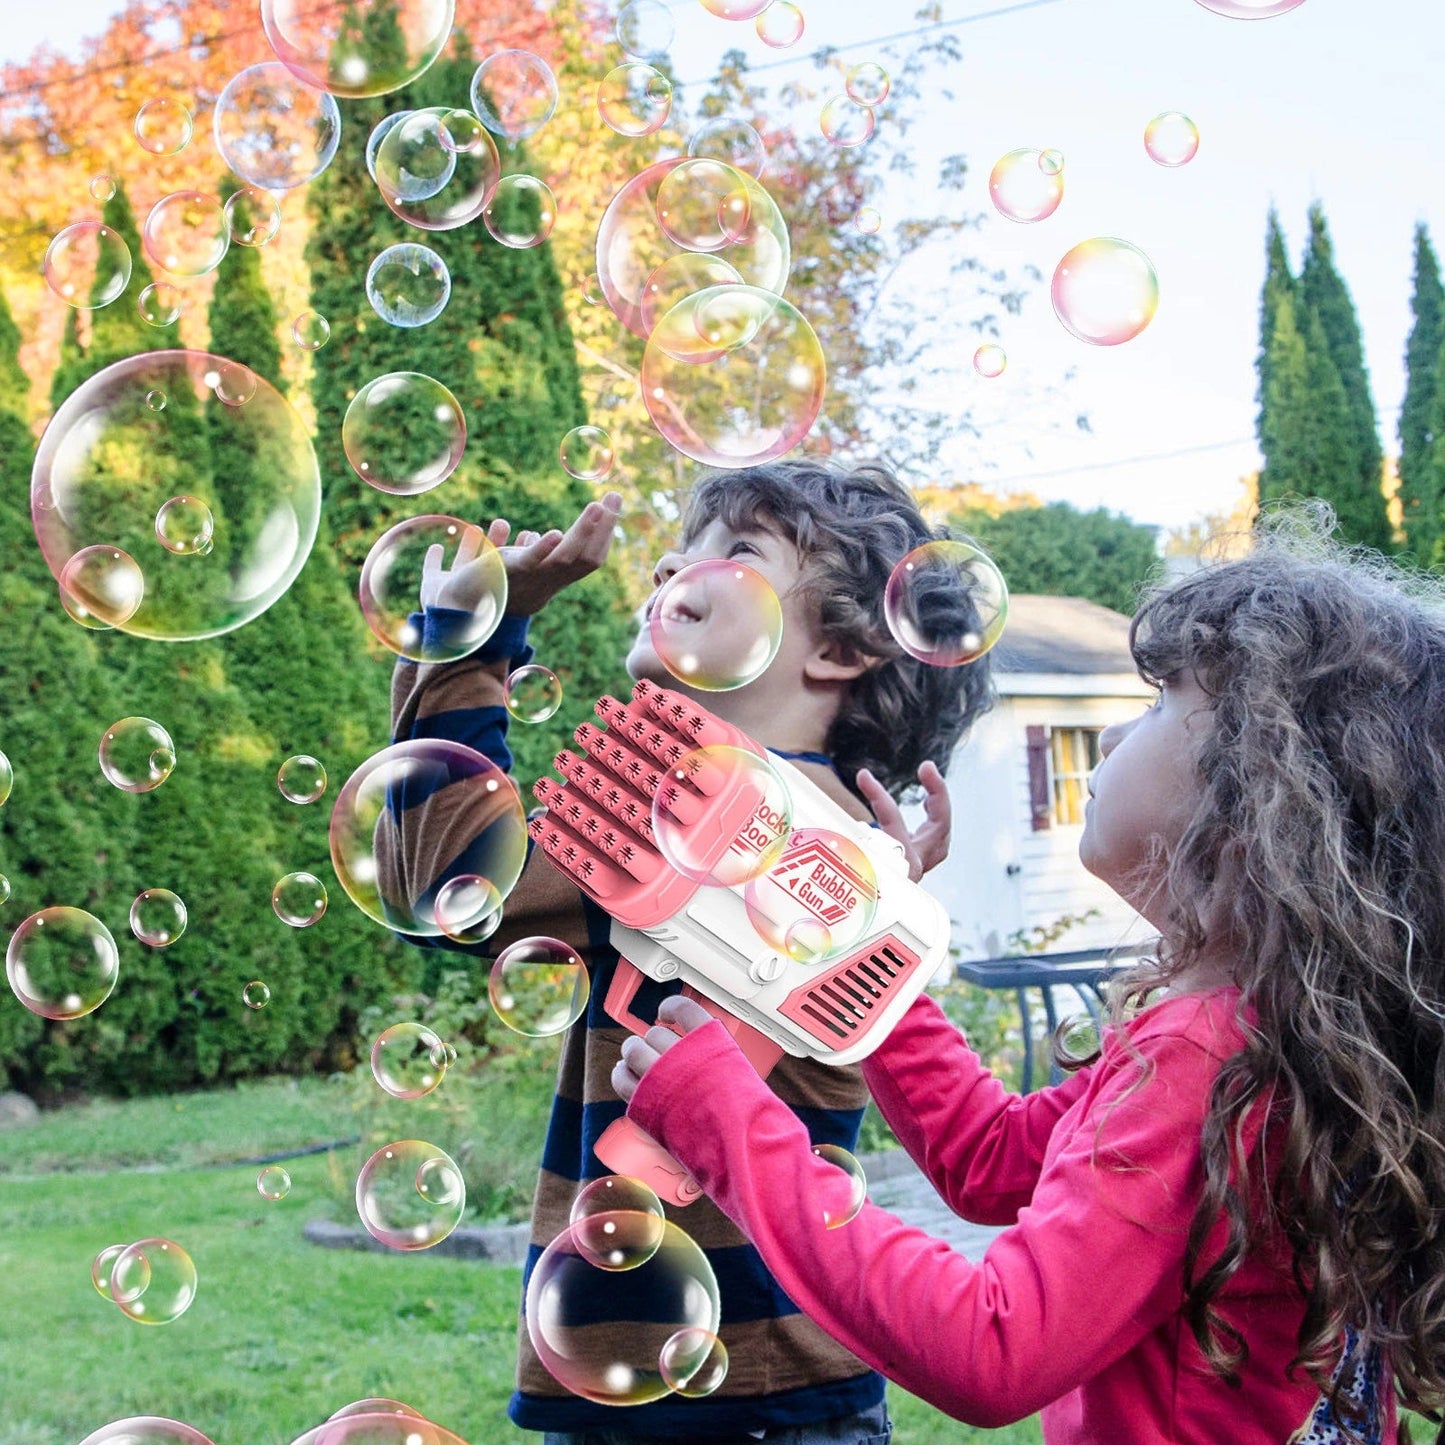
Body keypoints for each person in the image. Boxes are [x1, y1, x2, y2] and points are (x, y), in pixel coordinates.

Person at [615, 508, 1445, 1445]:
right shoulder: (1266, 1034)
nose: (1118, 736)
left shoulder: (1203, 1051)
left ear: (1257, 789)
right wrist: (861, 943)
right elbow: (991, 1158)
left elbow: (992, 1344)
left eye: (1159, 701)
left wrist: (726, 1122)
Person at [385, 458, 995, 1442]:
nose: (672, 566)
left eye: (733, 551)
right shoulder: (836, 850)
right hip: (775, 1374)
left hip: (698, 1387)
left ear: (839, 644)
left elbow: (447, 874)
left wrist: (475, 633)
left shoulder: (693, 827)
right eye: (678, 552)